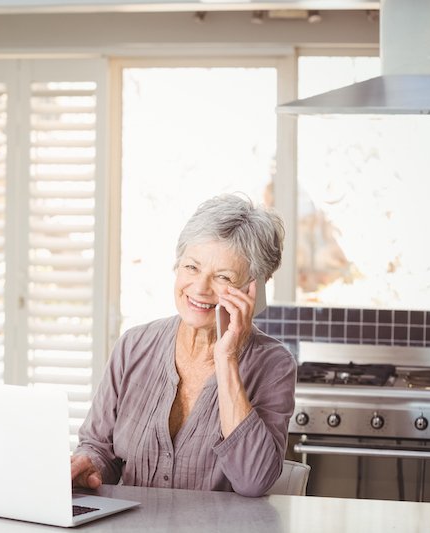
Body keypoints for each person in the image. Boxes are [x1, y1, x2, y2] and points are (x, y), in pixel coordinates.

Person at [71, 193, 296, 497]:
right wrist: (91, 467)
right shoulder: (134, 346)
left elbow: (254, 480)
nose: (200, 288)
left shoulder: (274, 365)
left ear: (251, 289)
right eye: (191, 267)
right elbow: (99, 447)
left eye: (223, 277)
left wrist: (227, 358)